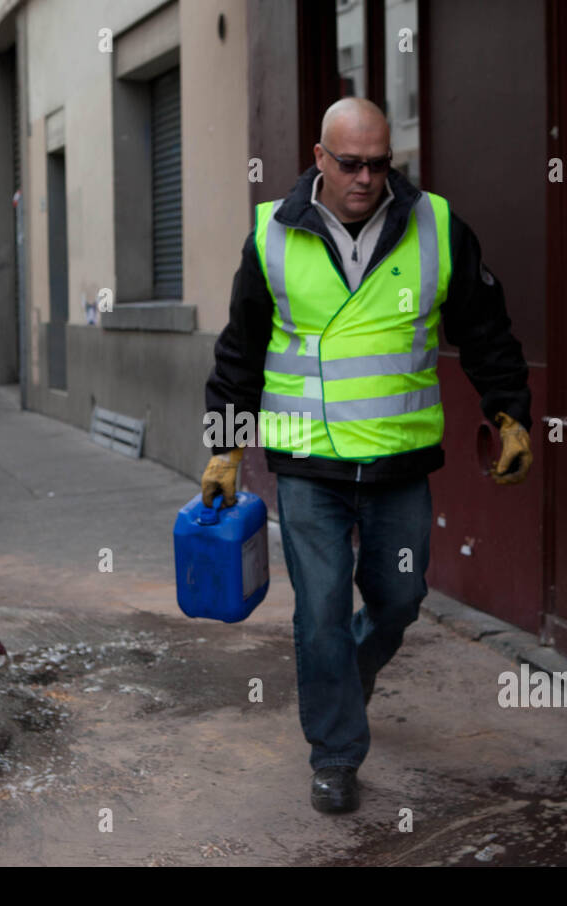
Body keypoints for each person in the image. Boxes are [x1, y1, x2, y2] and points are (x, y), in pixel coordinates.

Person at [202, 98, 533, 814]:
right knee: (318, 610)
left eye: (380, 164)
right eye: (350, 163)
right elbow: (239, 352)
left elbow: (486, 331)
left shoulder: (436, 226)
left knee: (398, 602)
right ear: (319, 159)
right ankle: (336, 754)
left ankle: (347, 673)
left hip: (398, 464)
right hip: (310, 465)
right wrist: (224, 447)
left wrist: (511, 415)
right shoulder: (272, 235)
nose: (366, 178)